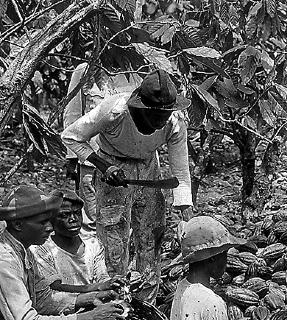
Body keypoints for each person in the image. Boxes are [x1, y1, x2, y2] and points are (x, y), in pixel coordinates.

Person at [61, 70, 194, 304]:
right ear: (141, 108)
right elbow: (71, 137)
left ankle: (146, 301)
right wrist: (103, 166)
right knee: (113, 239)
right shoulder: (114, 112)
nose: (159, 123)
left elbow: (180, 172)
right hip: (113, 165)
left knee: (151, 236)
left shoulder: (175, 123)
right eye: (155, 117)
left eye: (163, 117)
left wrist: (185, 209)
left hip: (149, 167)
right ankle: (115, 302)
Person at [0, 186, 123, 320]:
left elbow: (45, 298)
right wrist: (90, 317)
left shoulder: (23, 250)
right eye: (42, 223)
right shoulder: (5, 261)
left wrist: (87, 299)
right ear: (18, 225)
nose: (50, 227)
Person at [62, 64, 139, 229]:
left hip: (132, 160)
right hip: (93, 160)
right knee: (96, 220)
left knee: (130, 220)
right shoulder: (85, 69)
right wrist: (72, 157)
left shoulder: (139, 67)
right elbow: (73, 112)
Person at [31, 190, 122, 304]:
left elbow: (102, 277)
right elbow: (54, 288)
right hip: (62, 309)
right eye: (64, 215)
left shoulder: (92, 244)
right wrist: (95, 288)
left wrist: (114, 284)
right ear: (51, 219)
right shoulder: (42, 249)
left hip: (95, 303)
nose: (73, 219)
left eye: (77, 213)